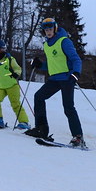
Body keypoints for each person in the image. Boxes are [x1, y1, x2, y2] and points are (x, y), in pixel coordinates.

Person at [24, 18, 85, 147]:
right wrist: (40, 65)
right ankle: (41, 128)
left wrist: (76, 73)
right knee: (39, 97)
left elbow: (76, 59)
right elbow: (52, 65)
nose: (48, 31)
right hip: (54, 79)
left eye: (50, 29)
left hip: (67, 78)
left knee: (68, 107)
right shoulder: (46, 45)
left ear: (55, 28)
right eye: (46, 30)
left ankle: (78, 137)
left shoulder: (64, 41)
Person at [0, 39, 30, 129]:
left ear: (3, 50)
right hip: (0, 86)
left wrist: (16, 73)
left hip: (12, 85)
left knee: (15, 103)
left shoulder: (10, 59)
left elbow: (17, 68)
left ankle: (24, 122)